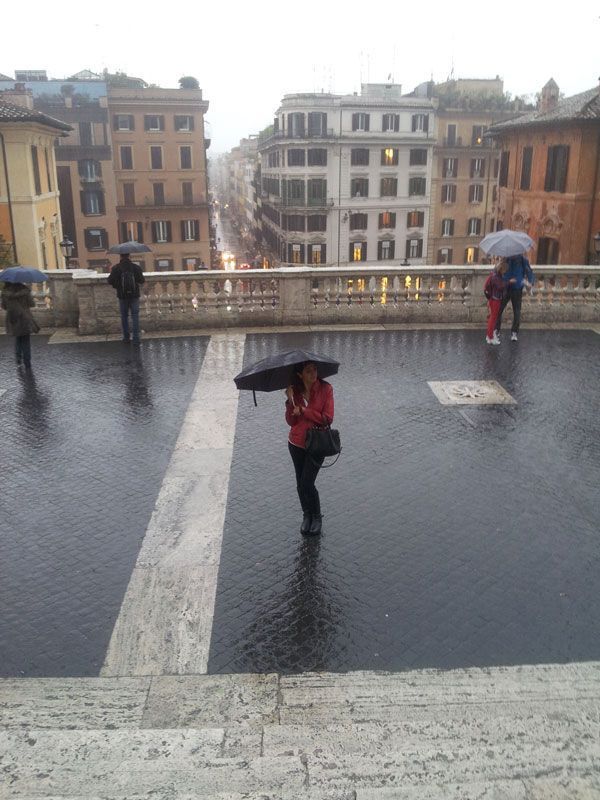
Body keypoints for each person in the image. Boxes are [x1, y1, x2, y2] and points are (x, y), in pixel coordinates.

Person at [285, 361, 334, 536]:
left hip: (316, 444)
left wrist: (305, 411)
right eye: (308, 371)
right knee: (300, 483)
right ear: (300, 375)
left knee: (307, 482)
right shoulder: (295, 391)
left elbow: (327, 418)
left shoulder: (326, 389)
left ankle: (317, 516)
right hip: (296, 443)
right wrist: (290, 401)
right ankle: (306, 515)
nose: (313, 374)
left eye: (314, 370)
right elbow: (291, 422)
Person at [495, 253, 535, 342]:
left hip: (517, 288)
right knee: (499, 309)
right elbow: (498, 270)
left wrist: (531, 283)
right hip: (506, 287)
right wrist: (501, 261)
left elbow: (529, 271)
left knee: (516, 311)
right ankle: (496, 330)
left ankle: (514, 332)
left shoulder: (522, 259)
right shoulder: (505, 258)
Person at [107, 254, 145, 343]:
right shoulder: (136, 267)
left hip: (122, 296)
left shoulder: (116, 268)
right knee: (135, 317)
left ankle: (126, 338)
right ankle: (136, 338)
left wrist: (117, 286)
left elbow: (110, 281)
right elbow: (142, 280)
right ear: (129, 256)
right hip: (134, 295)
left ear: (120, 257)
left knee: (124, 316)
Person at [1, 281, 40, 368]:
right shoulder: (25, 291)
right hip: (24, 318)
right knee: (26, 340)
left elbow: (4, 306)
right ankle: (27, 362)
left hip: (13, 318)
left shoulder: (5, 293)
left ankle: (18, 360)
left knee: (18, 339)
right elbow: (32, 304)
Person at [483, 259, 508, 345]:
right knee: (493, 318)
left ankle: (490, 335)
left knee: (492, 318)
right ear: (501, 269)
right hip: (495, 299)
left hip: (493, 298)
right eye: (504, 270)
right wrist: (508, 282)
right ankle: (490, 337)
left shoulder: (494, 274)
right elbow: (500, 287)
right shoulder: (496, 277)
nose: (505, 272)